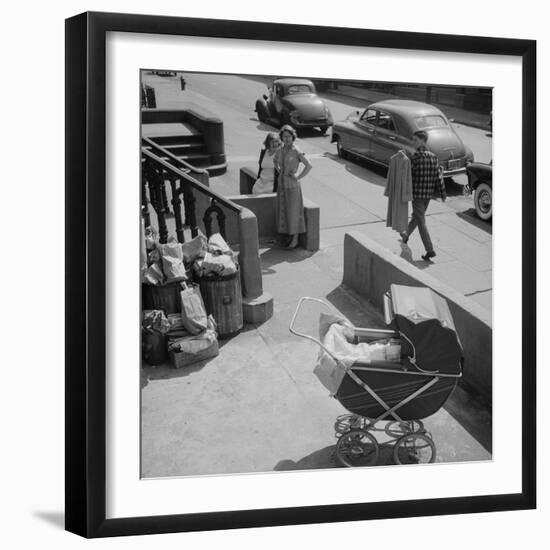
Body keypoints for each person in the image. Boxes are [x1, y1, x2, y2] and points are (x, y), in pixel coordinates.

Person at [400, 130, 446, 261]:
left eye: (415, 140)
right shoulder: (433, 157)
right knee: (417, 217)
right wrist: (443, 193)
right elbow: (439, 177)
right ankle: (405, 236)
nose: (413, 142)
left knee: (421, 221)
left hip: (417, 196)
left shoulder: (415, 158)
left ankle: (430, 250)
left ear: (422, 141)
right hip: (428, 196)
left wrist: (403, 191)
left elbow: (408, 178)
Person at [274, 125, 312, 249]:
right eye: (284, 136)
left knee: (293, 212)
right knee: (283, 211)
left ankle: (295, 238)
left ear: (293, 137)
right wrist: (279, 170)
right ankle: (287, 235)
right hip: (282, 185)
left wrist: (298, 176)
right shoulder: (280, 149)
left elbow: (309, 165)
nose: (287, 139)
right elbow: (275, 161)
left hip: (292, 186)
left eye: (289, 136)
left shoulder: (296, 150)